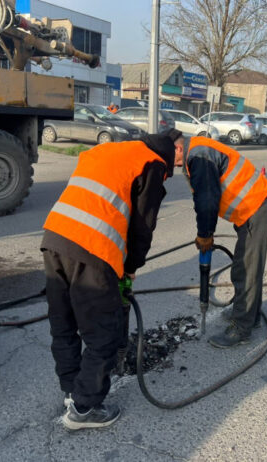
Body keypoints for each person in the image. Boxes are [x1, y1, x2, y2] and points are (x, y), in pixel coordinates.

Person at [40, 133, 176, 430]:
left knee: (63, 322)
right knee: (104, 332)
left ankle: (71, 390)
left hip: (54, 237)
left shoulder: (107, 150)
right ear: (164, 160)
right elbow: (142, 226)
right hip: (92, 248)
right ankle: (84, 409)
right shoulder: (151, 163)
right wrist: (130, 269)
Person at [171, 130, 267, 348]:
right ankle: (250, 316)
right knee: (244, 267)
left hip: (256, 208)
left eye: (167, 156)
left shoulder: (199, 155)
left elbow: (207, 201)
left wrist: (205, 235)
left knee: (247, 270)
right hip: (251, 209)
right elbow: (202, 196)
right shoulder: (197, 150)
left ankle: (242, 328)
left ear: (178, 148)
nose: (167, 163)